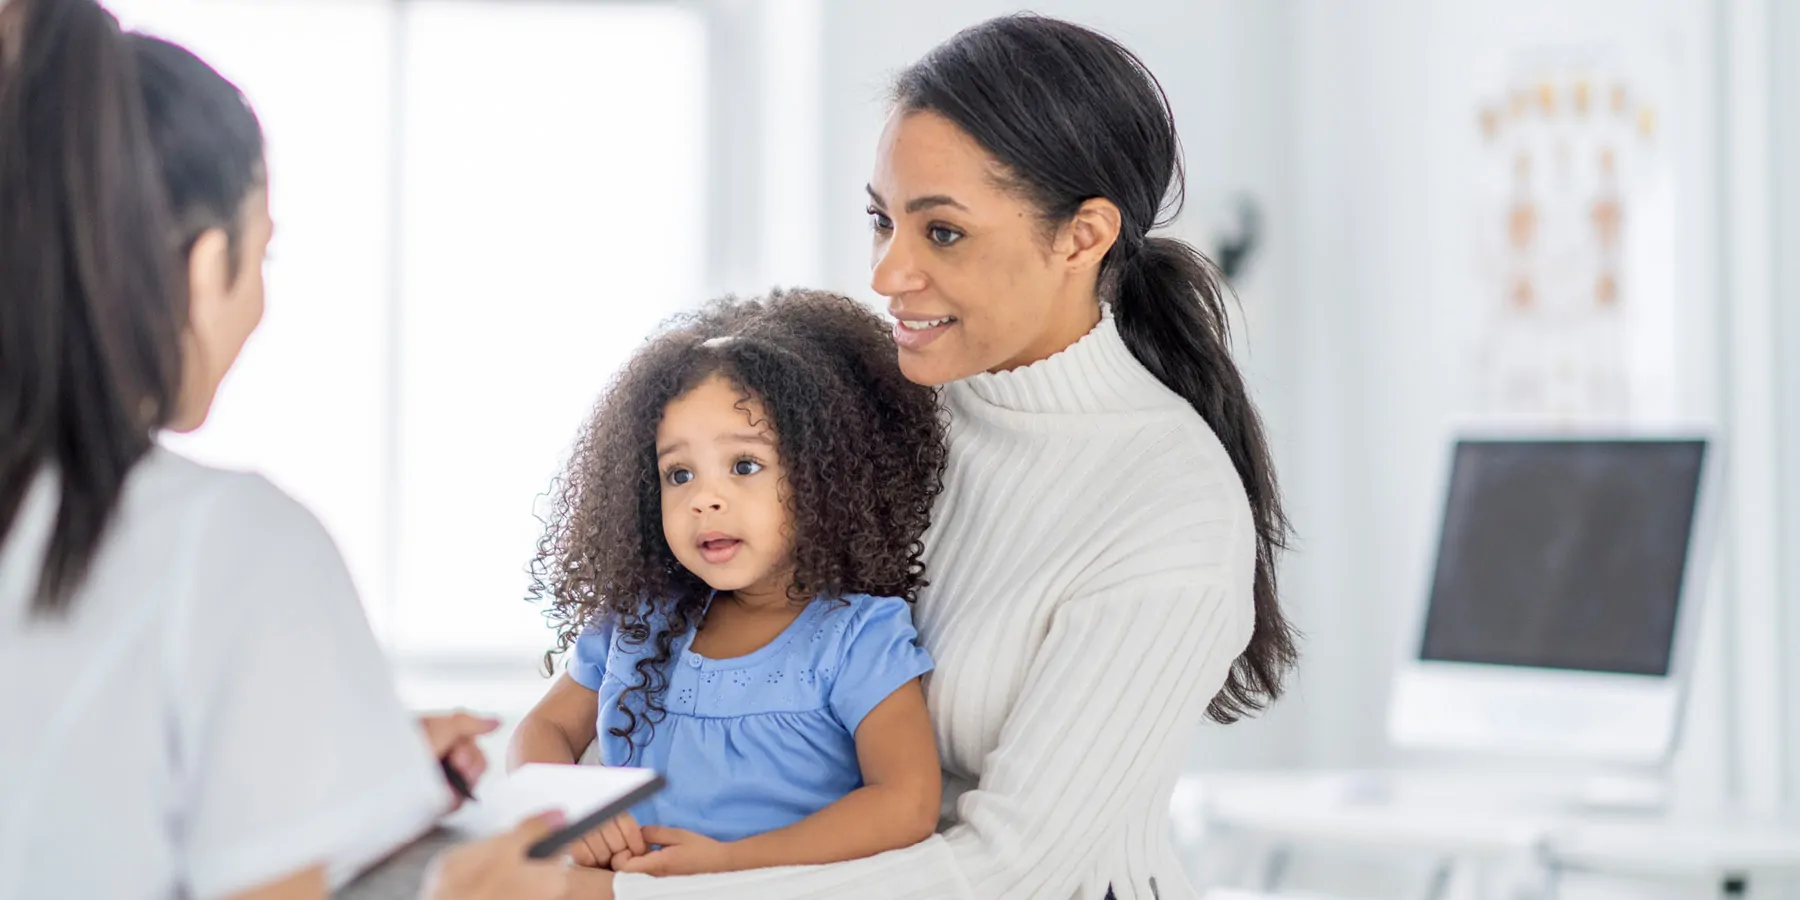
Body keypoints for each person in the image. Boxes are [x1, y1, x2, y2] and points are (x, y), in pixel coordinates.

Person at [599, 14, 1300, 900]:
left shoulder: (1170, 508)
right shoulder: (882, 418)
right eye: (880, 220)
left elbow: (1016, 867)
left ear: (1083, 236)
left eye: (942, 233)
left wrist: (639, 896)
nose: (888, 273)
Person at [0, 2, 573, 897]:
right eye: (263, 256)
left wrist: (325, 762)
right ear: (203, 265)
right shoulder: (230, 543)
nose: (259, 306)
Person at [507, 292, 948, 889]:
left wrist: (726, 864)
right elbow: (541, 732)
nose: (703, 499)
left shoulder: (857, 636)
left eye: (744, 466)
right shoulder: (640, 622)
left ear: (826, 475)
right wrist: (572, 806)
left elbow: (905, 803)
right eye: (678, 473)